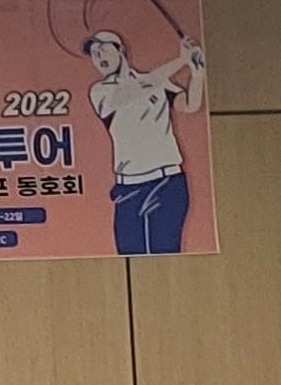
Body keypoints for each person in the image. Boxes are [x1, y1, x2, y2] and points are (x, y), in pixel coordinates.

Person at [83, 24, 206, 256]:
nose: (99, 57)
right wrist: (182, 60)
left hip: (167, 182)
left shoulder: (157, 81)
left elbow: (190, 105)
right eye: (95, 54)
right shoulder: (100, 91)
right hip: (129, 187)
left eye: (104, 49)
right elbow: (137, 88)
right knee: (129, 255)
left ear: (120, 50)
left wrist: (197, 72)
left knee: (166, 257)